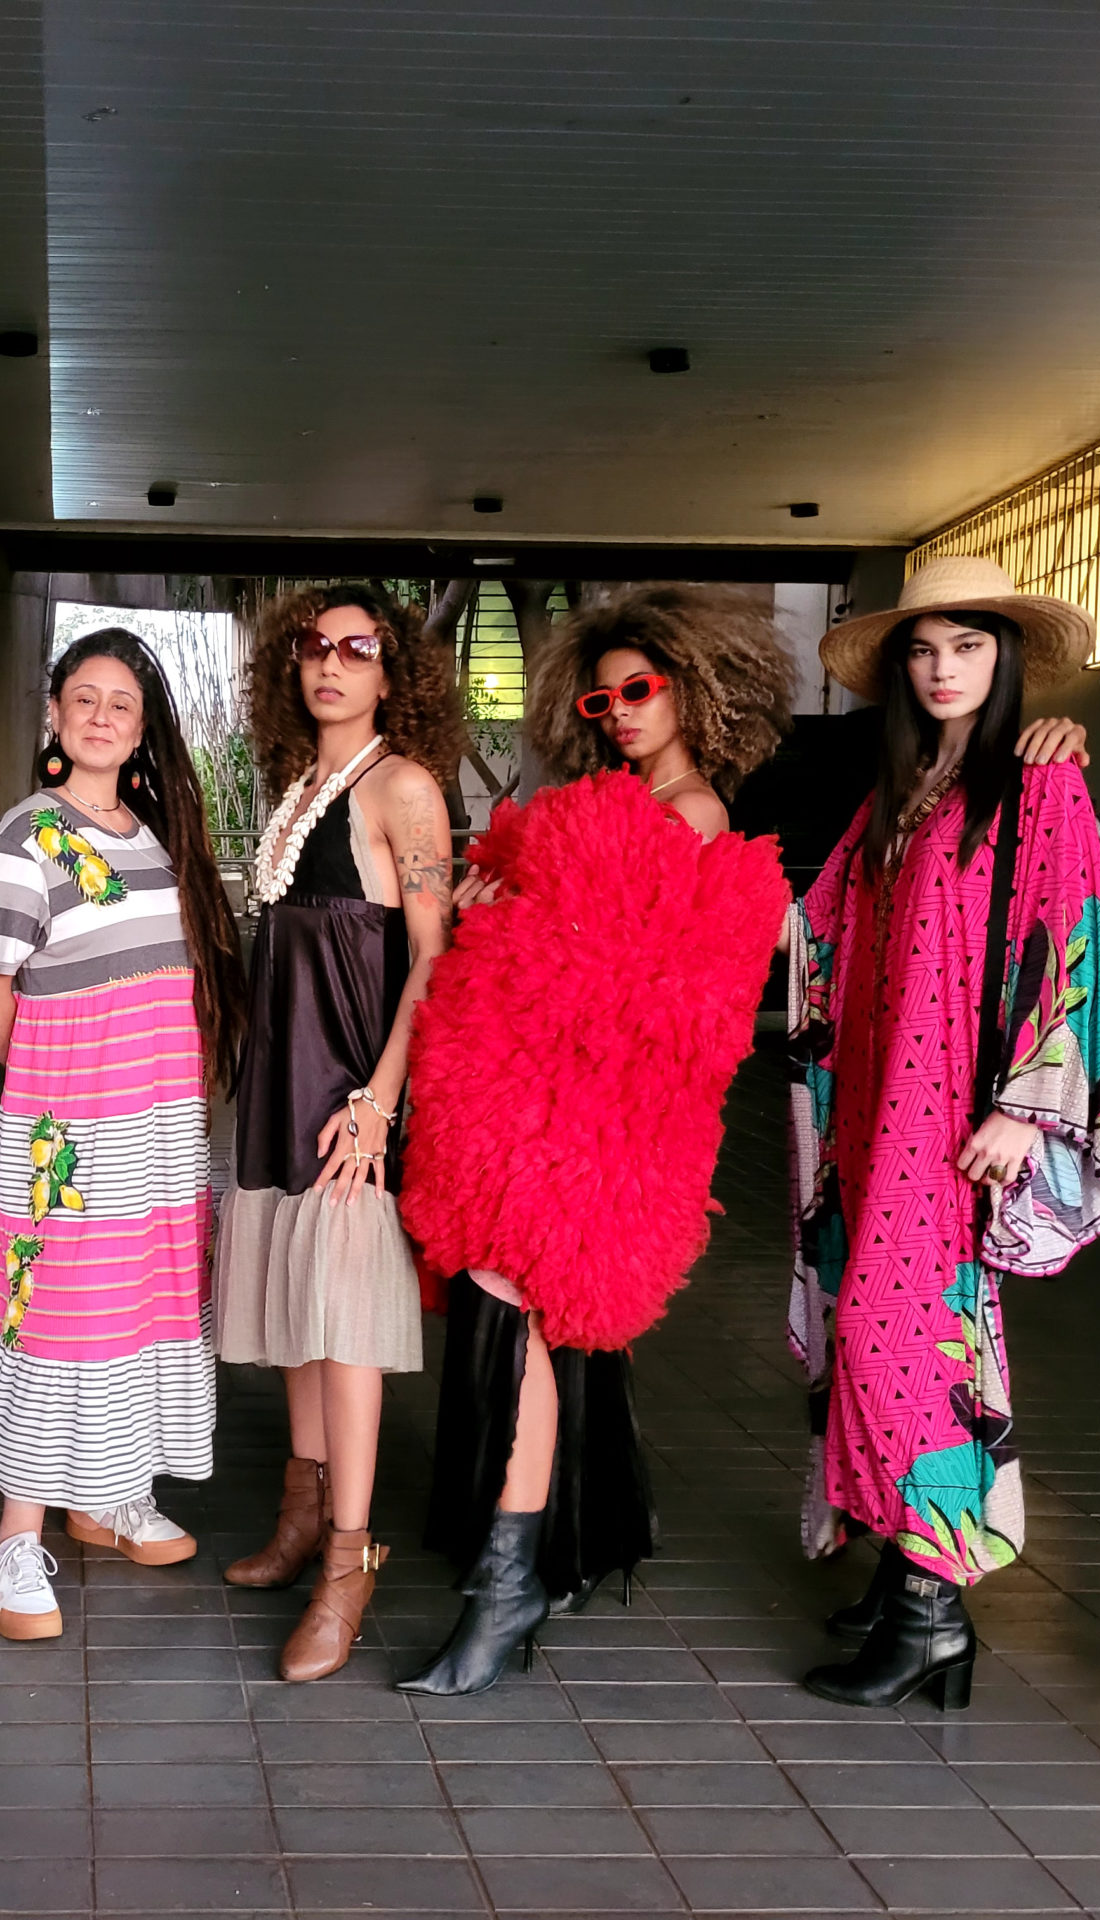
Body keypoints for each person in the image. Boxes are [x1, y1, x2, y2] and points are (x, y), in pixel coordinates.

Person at [400, 585, 794, 1695]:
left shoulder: (689, 813)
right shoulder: (607, 805)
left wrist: (508, 919)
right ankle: (539, 1558)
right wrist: (499, 907)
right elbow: (562, 940)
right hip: (546, 1101)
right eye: (600, 697)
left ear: (695, 691)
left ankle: (508, 1581)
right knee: (527, 1323)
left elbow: (630, 980)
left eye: (640, 689)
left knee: (517, 1317)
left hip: (599, 1117)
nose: (618, 710)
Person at [790, 555, 1100, 1710]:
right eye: (924, 650)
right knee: (873, 1334)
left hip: (950, 1118)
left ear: (1006, 659)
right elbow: (823, 927)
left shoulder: (1037, 785)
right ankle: (905, 1576)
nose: (943, 670)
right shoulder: (898, 790)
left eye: (968, 647)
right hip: (871, 1106)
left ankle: (933, 1611)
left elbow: (1073, 936)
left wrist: (1023, 1107)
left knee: (908, 1344)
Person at [0, 628, 248, 1640]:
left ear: (141, 727)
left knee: (139, 1301)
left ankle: (111, 1493)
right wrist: (60, 1088)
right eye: (83, 696)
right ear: (53, 712)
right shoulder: (22, 838)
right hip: (70, 1133)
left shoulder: (157, 838)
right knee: (58, 1314)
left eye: (121, 703)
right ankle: (13, 1537)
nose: (100, 716)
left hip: (160, 1128)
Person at [215, 581, 469, 1682]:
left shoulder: (401, 785)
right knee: (299, 1318)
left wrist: (379, 1100)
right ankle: (303, 1513)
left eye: (357, 650)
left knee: (346, 1328)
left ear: (392, 670)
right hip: (281, 1085)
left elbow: (432, 958)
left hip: (350, 1092)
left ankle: (349, 1564)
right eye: (314, 647)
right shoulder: (299, 786)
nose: (330, 665)